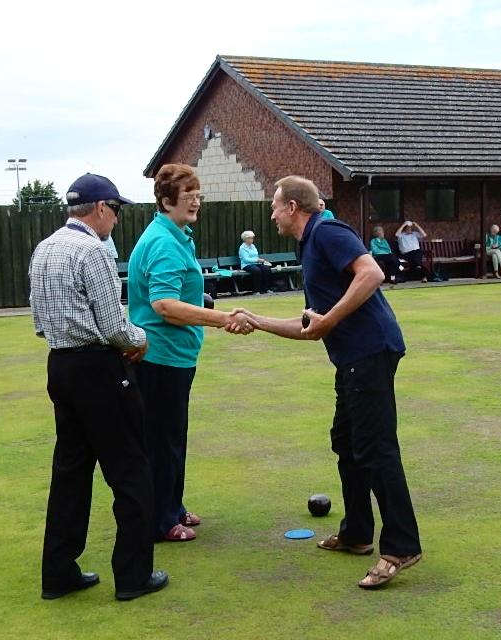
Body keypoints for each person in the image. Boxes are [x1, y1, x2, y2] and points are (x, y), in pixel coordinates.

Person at [235, 175, 422, 589]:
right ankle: (357, 534)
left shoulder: (327, 231)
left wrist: (331, 320)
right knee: (347, 442)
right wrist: (255, 319)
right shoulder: (309, 244)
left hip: (370, 352)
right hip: (353, 358)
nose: (272, 214)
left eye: (275, 205)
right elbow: (310, 324)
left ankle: (401, 546)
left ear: (292, 207)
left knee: (375, 448)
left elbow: (371, 273)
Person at [29, 173, 168, 602]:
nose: (117, 219)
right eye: (117, 210)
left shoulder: (44, 248)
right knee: (131, 470)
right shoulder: (94, 251)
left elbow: (39, 320)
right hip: (100, 369)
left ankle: (59, 573)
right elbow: (114, 326)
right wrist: (140, 340)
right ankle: (133, 575)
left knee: (70, 472)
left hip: (61, 365)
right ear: (102, 207)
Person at [127, 163, 252, 543]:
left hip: (176, 356)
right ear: (167, 201)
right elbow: (164, 304)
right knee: (162, 440)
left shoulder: (178, 235)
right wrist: (221, 318)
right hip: (159, 358)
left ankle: (172, 505)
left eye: (199, 195)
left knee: (172, 436)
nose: (196, 202)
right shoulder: (164, 242)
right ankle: (161, 520)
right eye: (188, 196)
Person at [238, 230, 274, 295]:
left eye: (252, 238)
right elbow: (246, 259)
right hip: (246, 265)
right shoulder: (242, 248)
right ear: (246, 239)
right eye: (250, 238)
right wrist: (257, 260)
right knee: (257, 271)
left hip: (256, 263)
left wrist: (261, 261)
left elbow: (255, 256)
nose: (252, 240)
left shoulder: (253, 246)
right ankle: (256, 290)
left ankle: (266, 289)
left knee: (267, 269)